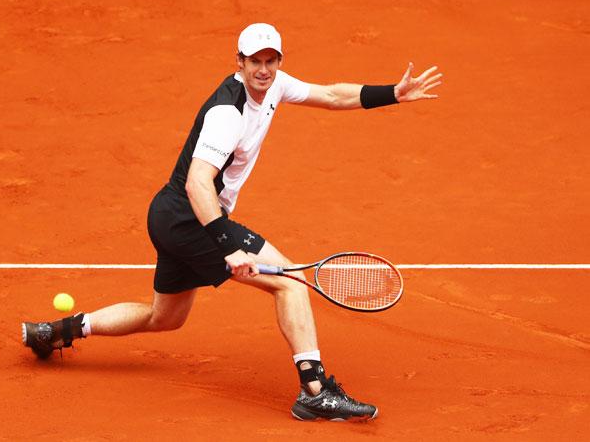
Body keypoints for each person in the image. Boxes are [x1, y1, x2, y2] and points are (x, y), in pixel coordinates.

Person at [22, 23, 442, 421]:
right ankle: (315, 393)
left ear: (278, 61)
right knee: (291, 282)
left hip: (171, 217)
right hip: (191, 218)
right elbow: (197, 183)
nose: (263, 69)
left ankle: (56, 332)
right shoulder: (227, 114)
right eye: (254, 61)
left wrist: (392, 93)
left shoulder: (276, 85)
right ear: (237, 62)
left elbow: (332, 95)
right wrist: (229, 246)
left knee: (164, 318)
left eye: (270, 60)